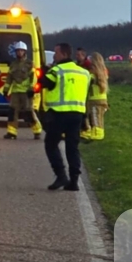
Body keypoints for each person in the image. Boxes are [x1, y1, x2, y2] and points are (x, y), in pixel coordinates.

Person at [40, 43, 91, 191]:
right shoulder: (83, 73)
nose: (54, 56)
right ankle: (74, 182)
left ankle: (61, 176)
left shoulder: (56, 71)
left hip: (59, 114)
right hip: (77, 115)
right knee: (72, 148)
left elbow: (44, 83)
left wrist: (43, 71)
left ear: (63, 54)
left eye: (56, 53)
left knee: (50, 144)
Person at [2, 41, 42, 141]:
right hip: (15, 92)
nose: (19, 52)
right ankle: (11, 132)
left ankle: (37, 131)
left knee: (29, 112)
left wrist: (32, 89)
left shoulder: (30, 63)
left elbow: (34, 77)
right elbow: (9, 78)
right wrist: (6, 89)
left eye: (21, 51)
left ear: (25, 52)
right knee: (12, 112)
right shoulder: (13, 64)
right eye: (17, 51)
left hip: (26, 92)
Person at [85, 52, 109, 140]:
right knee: (99, 118)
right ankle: (97, 133)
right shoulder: (103, 73)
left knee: (95, 118)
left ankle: (97, 135)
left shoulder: (92, 75)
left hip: (94, 100)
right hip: (103, 99)